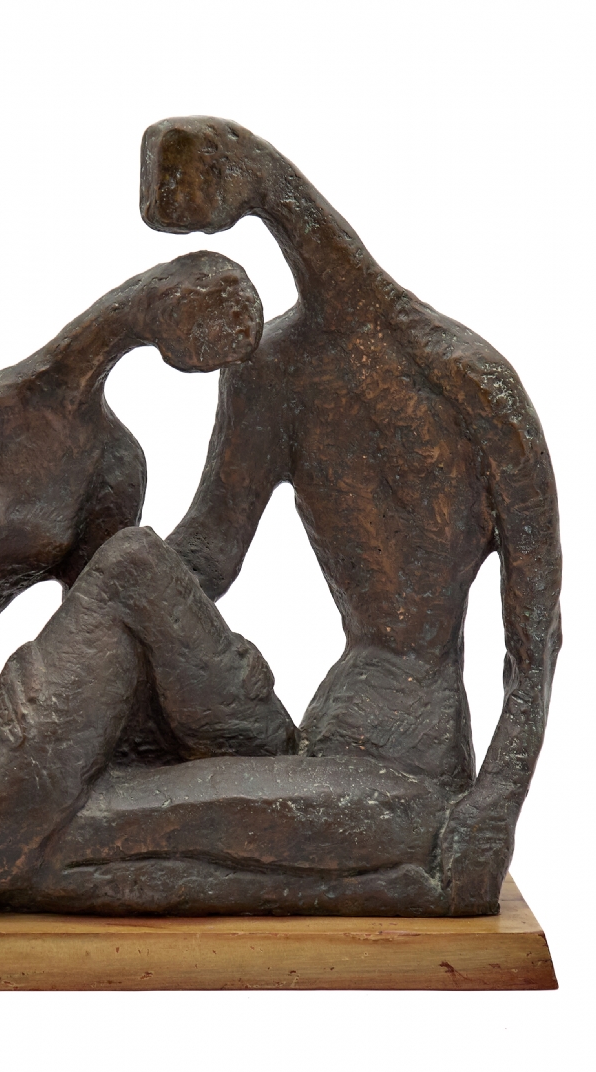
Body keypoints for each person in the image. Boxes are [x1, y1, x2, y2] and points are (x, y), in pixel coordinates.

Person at [138, 116, 562, 915]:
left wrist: (495, 799)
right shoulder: (270, 370)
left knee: (151, 830)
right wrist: (99, 573)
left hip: (412, 752)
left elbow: (534, 636)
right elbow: (210, 552)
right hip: (322, 733)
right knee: (126, 593)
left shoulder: (467, 381)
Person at [0, 251, 298, 910]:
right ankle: (270, 743)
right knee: (133, 561)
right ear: (160, 305)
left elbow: (107, 652)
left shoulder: (114, 464)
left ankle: (264, 750)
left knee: (130, 567)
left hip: (15, 754)